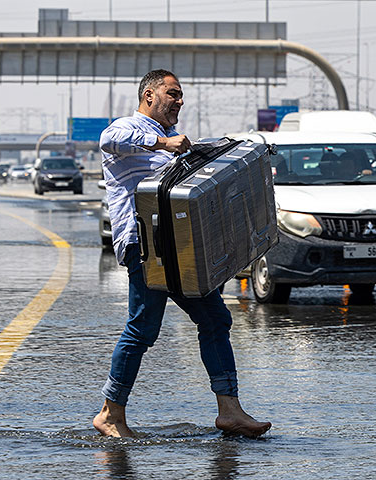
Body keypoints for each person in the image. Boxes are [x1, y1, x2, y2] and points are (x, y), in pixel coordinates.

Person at [93, 69, 272, 438]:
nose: (179, 101)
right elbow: (109, 139)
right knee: (142, 329)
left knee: (216, 320)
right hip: (145, 248)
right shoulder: (128, 129)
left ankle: (230, 411)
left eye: (180, 95)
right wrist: (163, 144)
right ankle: (110, 413)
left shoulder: (173, 141)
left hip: (180, 249)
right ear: (149, 96)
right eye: (172, 94)